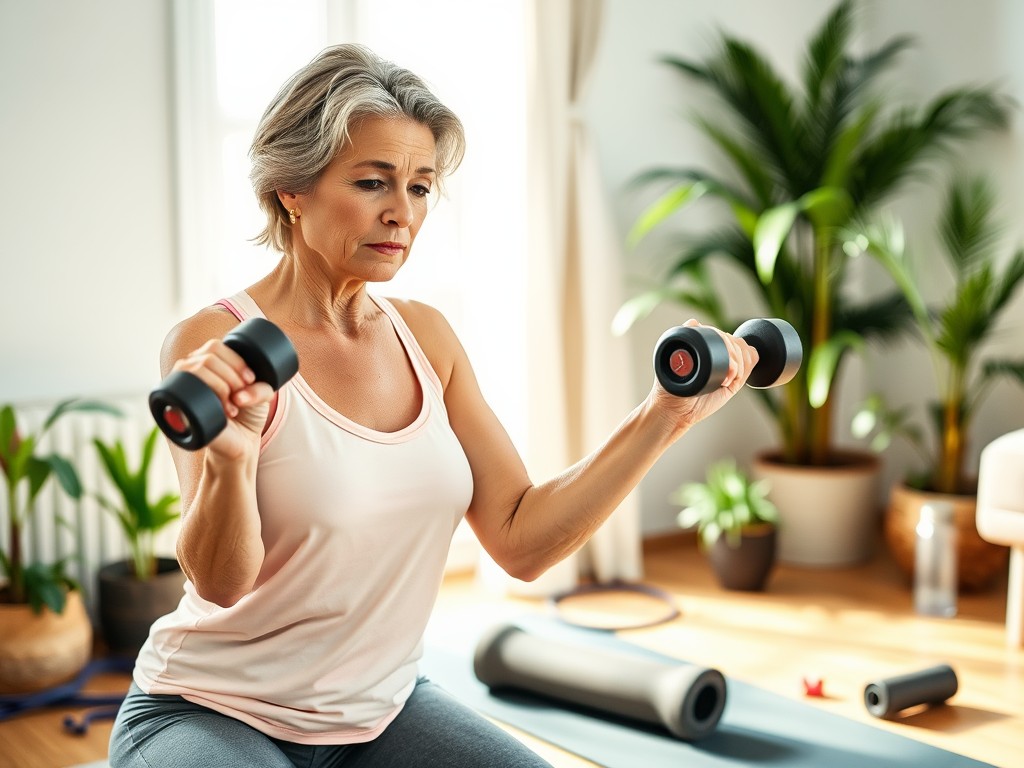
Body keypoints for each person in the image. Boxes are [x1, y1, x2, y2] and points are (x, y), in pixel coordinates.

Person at [109, 43, 758, 768]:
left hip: (377, 712)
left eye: (420, 188)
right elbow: (220, 584)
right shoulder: (216, 342)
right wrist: (230, 463)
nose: (401, 214)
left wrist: (661, 417)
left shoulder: (426, 336)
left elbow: (521, 540)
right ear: (293, 189)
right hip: (212, 711)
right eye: (372, 182)